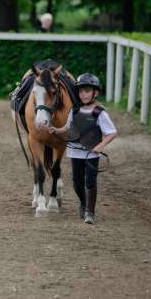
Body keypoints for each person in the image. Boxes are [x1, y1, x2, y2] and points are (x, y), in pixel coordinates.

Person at [48, 73, 117, 224]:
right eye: (81, 91)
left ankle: (90, 212)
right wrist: (56, 130)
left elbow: (112, 132)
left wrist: (100, 146)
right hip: (75, 152)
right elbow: (68, 128)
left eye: (87, 91)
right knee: (76, 182)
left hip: (91, 154)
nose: (83, 94)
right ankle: (83, 202)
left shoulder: (100, 113)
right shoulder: (75, 110)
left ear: (95, 93)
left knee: (90, 182)